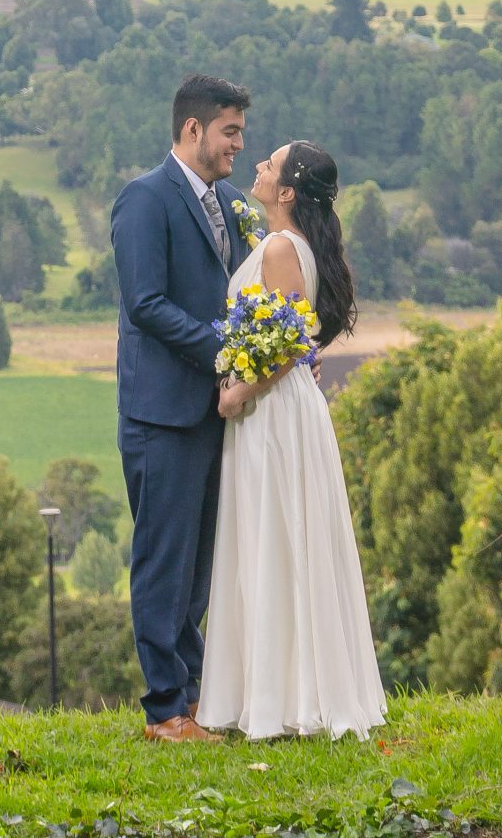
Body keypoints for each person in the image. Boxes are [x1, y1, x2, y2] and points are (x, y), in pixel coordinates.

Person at [197, 140, 386, 739]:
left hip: (273, 414)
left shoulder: (281, 247)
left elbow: (285, 345)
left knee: (276, 536)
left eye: (269, 165)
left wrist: (235, 393)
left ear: (286, 192)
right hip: (282, 409)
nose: (256, 165)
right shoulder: (285, 243)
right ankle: (280, 689)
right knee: (280, 537)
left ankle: (288, 700)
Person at [111, 72, 252, 741]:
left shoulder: (224, 204)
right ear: (191, 129)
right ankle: (162, 709)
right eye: (229, 132)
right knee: (163, 564)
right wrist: (225, 350)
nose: (237, 147)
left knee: (197, 570)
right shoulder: (143, 199)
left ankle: (193, 698)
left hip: (209, 415)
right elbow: (145, 303)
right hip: (161, 416)